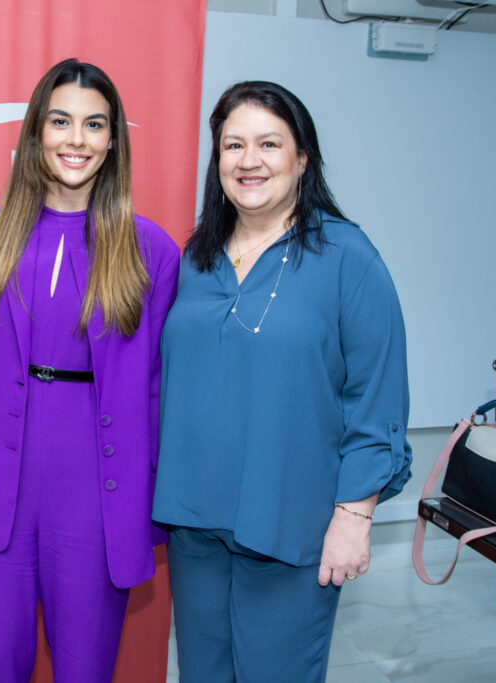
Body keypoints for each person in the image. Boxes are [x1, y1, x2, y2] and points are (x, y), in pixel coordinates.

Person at [153, 81, 412, 683]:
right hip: (195, 523)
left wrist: (355, 517)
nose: (250, 160)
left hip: (291, 525)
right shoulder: (197, 257)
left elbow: (377, 399)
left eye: (269, 144)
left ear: (302, 160)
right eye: (233, 145)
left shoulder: (348, 257)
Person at [0, 58, 180, 682]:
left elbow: (157, 388)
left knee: (84, 670)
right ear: (36, 132)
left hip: (95, 497)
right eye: (61, 121)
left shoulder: (150, 249)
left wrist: (153, 500)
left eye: (94, 124)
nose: (77, 139)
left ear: (113, 141)